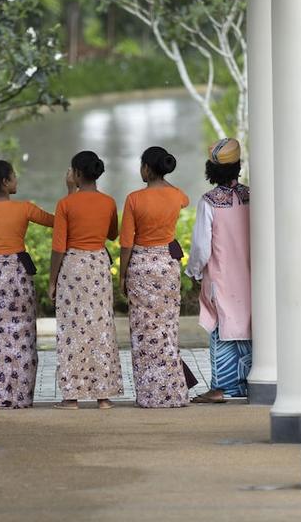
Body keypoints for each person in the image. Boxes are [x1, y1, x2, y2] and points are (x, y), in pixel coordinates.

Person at [0, 160, 54, 409]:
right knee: (22, 334)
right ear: (5, 183)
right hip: (18, 273)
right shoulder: (24, 209)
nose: (17, 179)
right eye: (14, 176)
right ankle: (19, 397)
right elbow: (57, 221)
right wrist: (72, 193)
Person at [48, 151, 123, 410]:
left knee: (72, 331)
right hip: (99, 266)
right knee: (101, 328)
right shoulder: (109, 202)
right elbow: (113, 234)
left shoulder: (65, 204)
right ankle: (104, 397)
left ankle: (71, 397)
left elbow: (59, 246)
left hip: (73, 268)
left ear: (77, 174)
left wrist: (51, 281)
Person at [119, 146, 190, 408]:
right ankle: (173, 393)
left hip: (141, 265)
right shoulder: (176, 196)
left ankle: (150, 395)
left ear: (147, 169)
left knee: (143, 332)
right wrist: (163, 180)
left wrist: (122, 276)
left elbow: (126, 242)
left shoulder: (134, 199)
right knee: (167, 329)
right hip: (167, 266)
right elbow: (185, 199)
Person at [185, 138, 252, 403]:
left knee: (222, 327)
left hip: (222, 278)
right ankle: (248, 383)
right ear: (238, 166)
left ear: (211, 170)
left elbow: (202, 246)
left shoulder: (209, 201)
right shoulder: (252, 196)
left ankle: (221, 387)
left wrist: (193, 271)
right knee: (249, 324)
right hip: (251, 277)